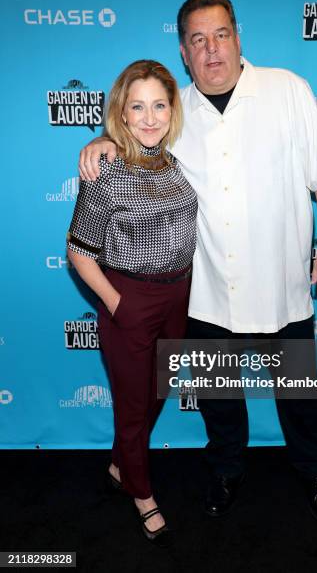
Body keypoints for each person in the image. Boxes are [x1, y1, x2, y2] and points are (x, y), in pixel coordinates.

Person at [79, 0, 317, 526]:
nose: (212, 49)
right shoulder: (174, 111)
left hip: (281, 284)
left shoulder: (288, 89)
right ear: (183, 51)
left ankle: (315, 473)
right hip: (205, 292)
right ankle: (226, 472)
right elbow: (137, 135)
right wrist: (102, 139)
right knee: (219, 400)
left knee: (299, 396)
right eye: (198, 40)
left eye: (220, 34)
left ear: (238, 37)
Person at [68, 59, 197, 546]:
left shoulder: (175, 161)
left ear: (172, 109)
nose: (149, 117)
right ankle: (141, 493)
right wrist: (116, 304)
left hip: (178, 294)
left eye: (159, 105)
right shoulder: (106, 171)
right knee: (132, 403)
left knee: (159, 391)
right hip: (130, 297)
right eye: (137, 106)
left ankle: (122, 462)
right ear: (120, 113)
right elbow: (78, 250)